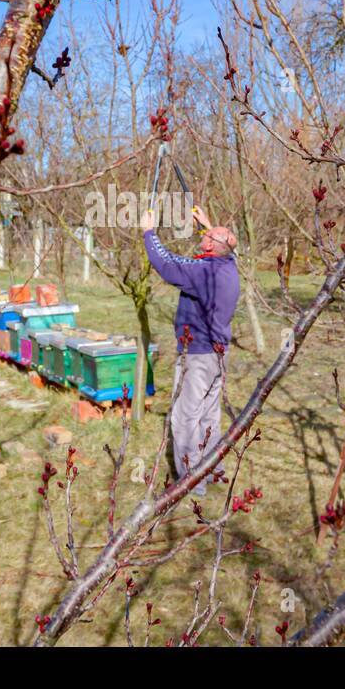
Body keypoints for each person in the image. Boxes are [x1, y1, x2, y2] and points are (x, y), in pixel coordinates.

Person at [140, 207, 240, 495]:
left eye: (206, 236)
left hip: (197, 354)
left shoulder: (203, 272)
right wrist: (207, 226)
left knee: (184, 418)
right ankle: (212, 470)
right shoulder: (228, 266)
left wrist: (149, 233)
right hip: (218, 355)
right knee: (208, 414)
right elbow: (225, 245)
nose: (202, 237)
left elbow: (168, 265)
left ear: (210, 246)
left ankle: (191, 483)